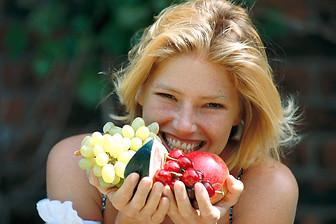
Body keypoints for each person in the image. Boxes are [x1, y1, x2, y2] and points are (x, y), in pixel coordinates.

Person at [36, 0, 300, 223]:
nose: (184, 125)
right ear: (140, 90)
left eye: (212, 105)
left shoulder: (268, 188)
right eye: (168, 96)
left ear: (242, 112)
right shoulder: (74, 168)